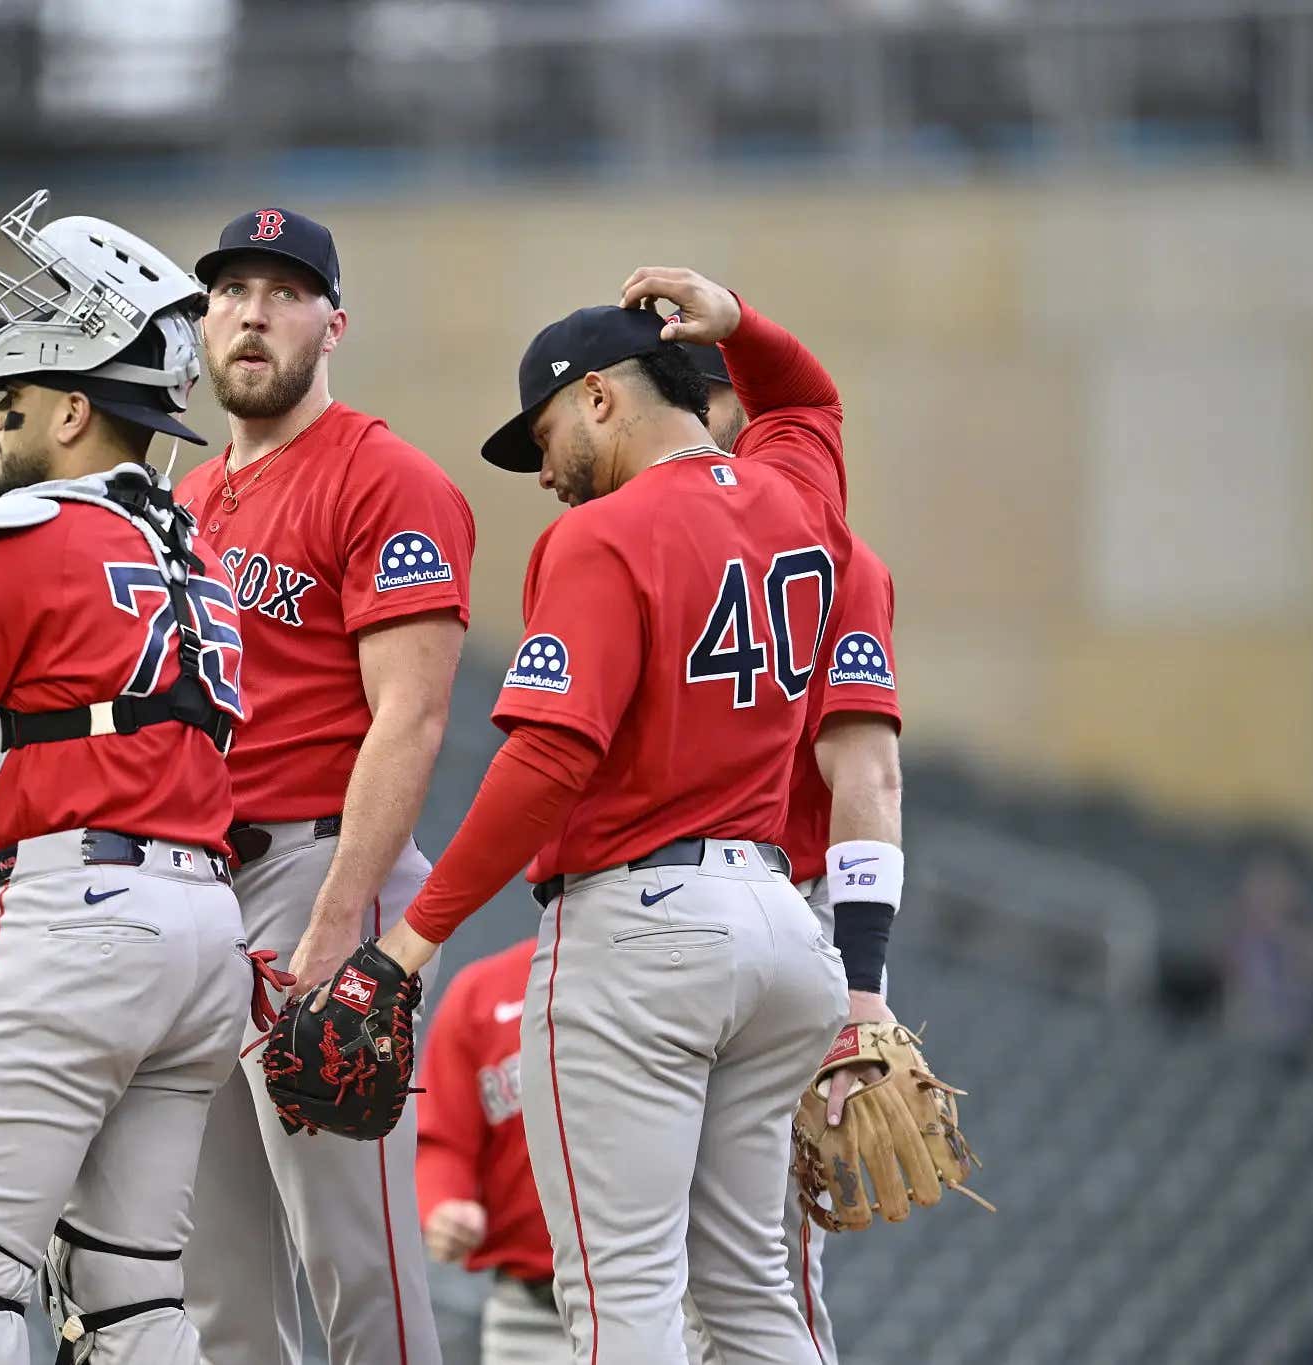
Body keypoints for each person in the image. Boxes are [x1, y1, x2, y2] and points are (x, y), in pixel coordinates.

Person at [348, 270, 854, 1363]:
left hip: (643, 934)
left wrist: (409, 939)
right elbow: (808, 405)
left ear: (598, 398)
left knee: (617, 1307)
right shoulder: (793, 499)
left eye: (541, 434)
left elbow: (545, 761)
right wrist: (743, 321)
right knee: (748, 1295)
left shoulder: (598, 538)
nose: (540, 471)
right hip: (780, 925)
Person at [0, 190, 256, 1365]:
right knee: (133, 1302)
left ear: (76, 406)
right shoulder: (196, 555)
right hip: (201, 939)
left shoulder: (17, 534)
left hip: (71, 918)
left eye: (11, 400)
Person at [171, 206, 471, 1365]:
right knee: (214, 1283)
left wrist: (344, 923)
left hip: (315, 874)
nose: (252, 311)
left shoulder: (383, 478)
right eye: (230, 291)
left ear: (332, 322)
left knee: (355, 1263)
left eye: (283, 291)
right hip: (195, 891)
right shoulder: (185, 502)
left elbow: (411, 715)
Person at [674, 337, 905, 1365]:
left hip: (782, 902)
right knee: (662, 1275)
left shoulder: (830, 556)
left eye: (706, 397)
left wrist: (861, 990)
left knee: (761, 1270)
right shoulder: (640, 541)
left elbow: (865, 775)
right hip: (658, 920)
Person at [415, 938, 563, 1365]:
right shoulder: (483, 990)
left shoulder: (676, 970)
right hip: (530, 1311)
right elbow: (445, 1140)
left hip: (673, 1293)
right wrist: (444, 1203)